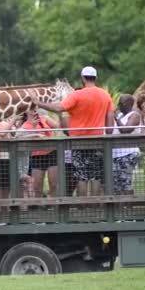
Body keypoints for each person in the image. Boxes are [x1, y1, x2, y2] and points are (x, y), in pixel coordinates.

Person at [32, 66, 115, 196]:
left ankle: (83, 209)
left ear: (82, 78)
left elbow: (59, 108)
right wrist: (108, 136)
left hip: (78, 142)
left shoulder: (77, 95)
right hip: (98, 141)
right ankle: (96, 208)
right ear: (95, 78)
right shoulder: (106, 95)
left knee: (81, 177)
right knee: (96, 177)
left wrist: (39, 103)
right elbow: (110, 121)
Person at [21, 104, 59, 197]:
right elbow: (22, 138)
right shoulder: (25, 125)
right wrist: (34, 128)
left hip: (52, 153)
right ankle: (38, 207)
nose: (34, 110)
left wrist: (60, 113)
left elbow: (58, 127)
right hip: (36, 156)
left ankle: (55, 207)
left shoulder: (44, 118)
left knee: (54, 183)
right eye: (31, 108)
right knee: (36, 186)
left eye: (35, 108)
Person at [112, 94, 141, 195]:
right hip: (116, 154)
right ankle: (120, 207)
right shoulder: (120, 116)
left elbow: (126, 130)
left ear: (128, 104)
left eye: (121, 103)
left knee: (126, 182)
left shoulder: (134, 115)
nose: (119, 105)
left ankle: (128, 208)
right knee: (116, 184)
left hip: (128, 153)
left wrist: (116, 118)